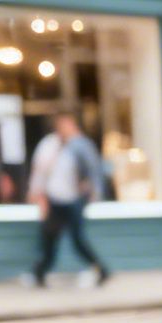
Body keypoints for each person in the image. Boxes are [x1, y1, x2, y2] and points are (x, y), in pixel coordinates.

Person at [27, 111, 112, 288]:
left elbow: (94, 171)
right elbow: (41, 171)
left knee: (77, 240)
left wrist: (94, 192)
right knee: (49, 239)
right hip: (54, 201)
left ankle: (101, 269)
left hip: (73, 201)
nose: (63, 129)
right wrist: (37, 193)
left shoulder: (80, 145)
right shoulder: (50, 146)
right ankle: (39, 273)